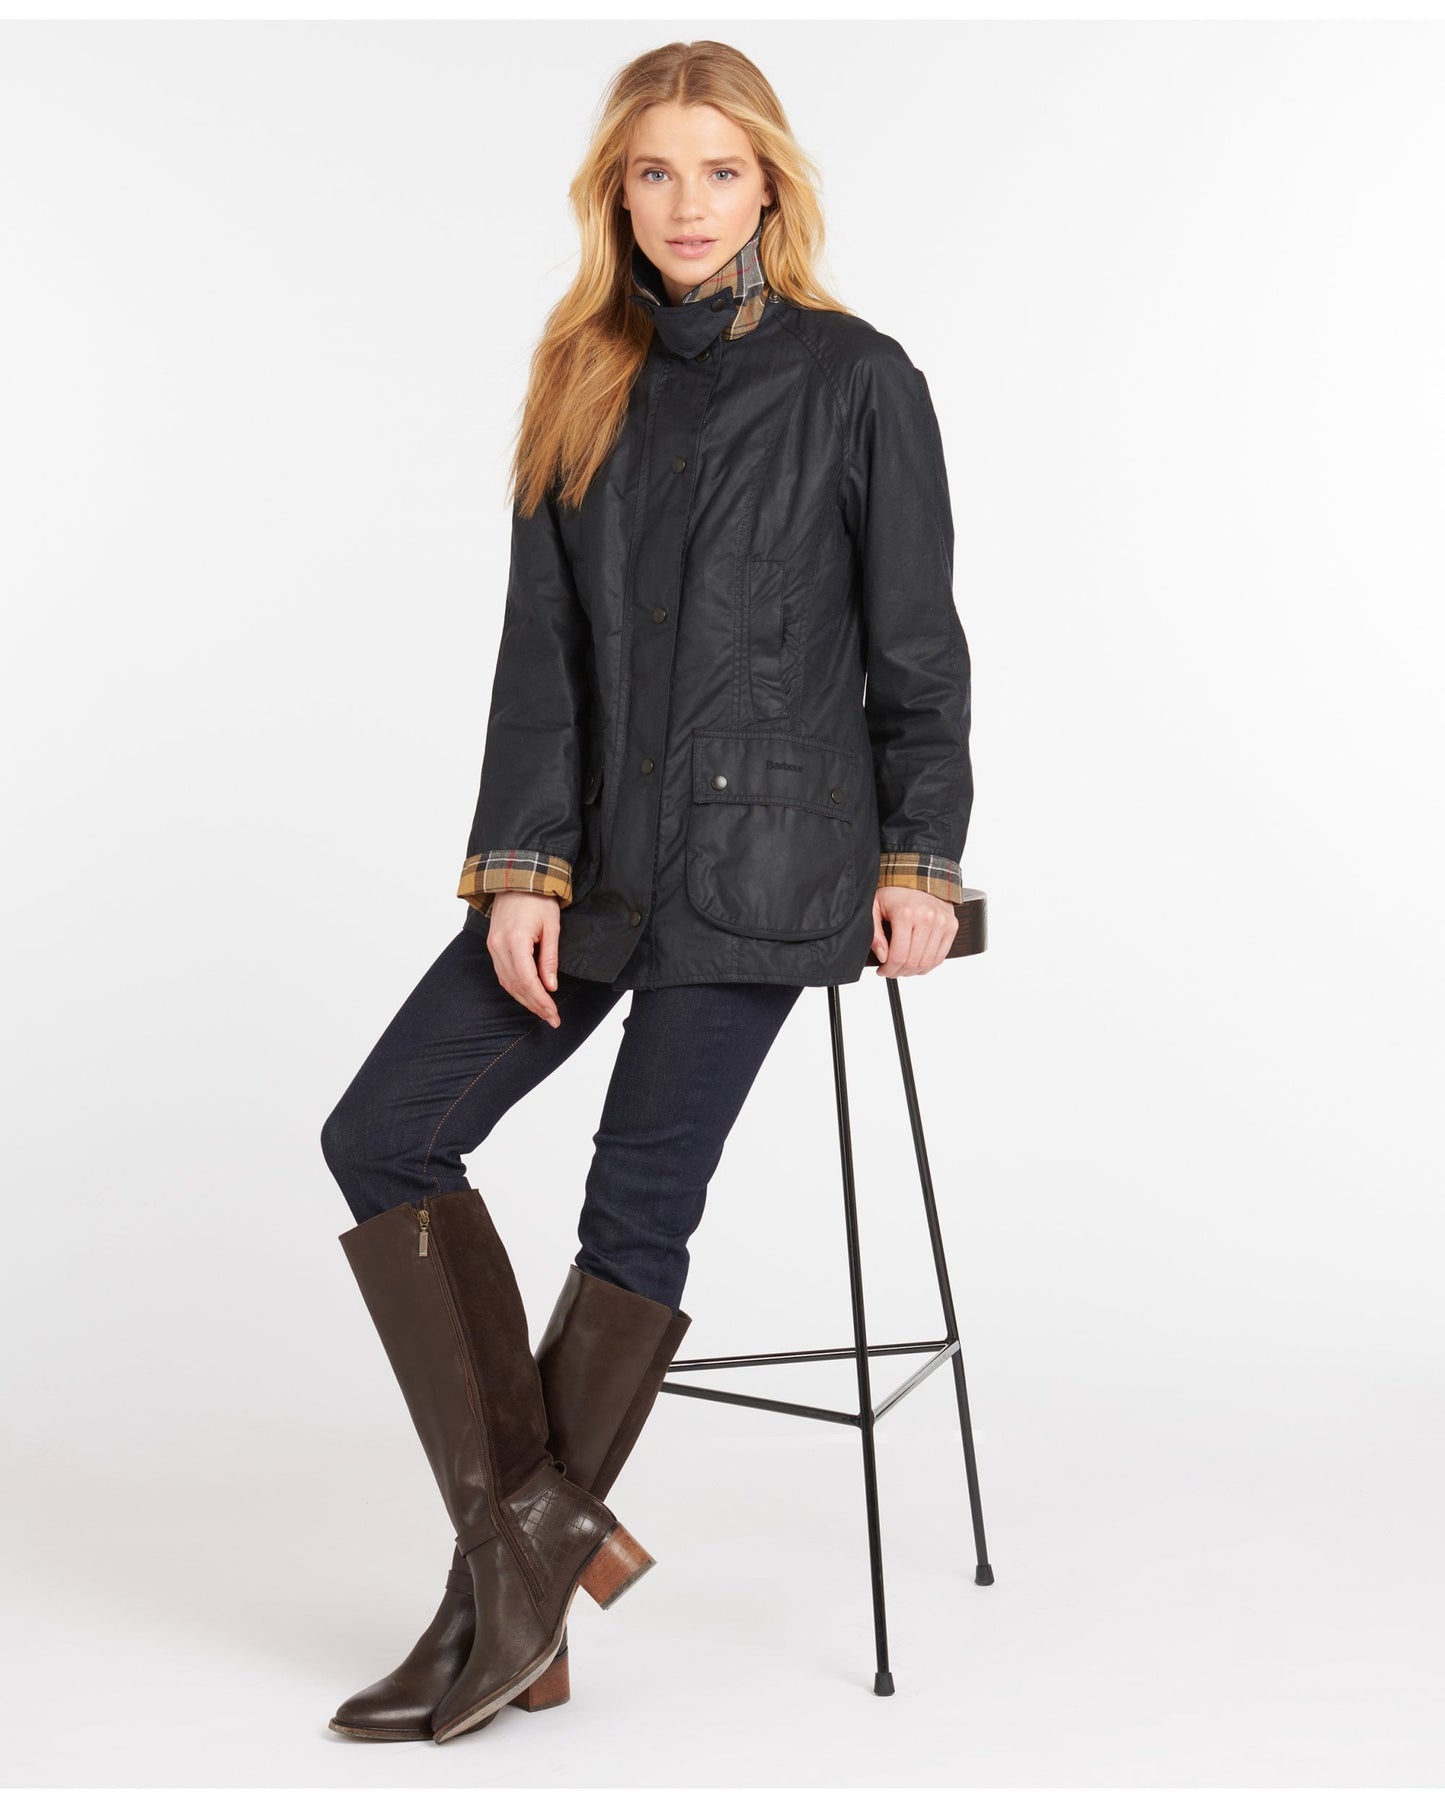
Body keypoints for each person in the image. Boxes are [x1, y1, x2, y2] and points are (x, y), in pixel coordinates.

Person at [319, 38, 974, 1745]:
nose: (687, 204)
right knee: (383, 1131)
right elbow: (538, 660)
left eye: (719, 171)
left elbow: (915, 650)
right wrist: (520, 871)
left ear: (769, 186)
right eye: (654, 172)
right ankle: (529, 1569)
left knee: (633, 1210)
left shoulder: (856, 378)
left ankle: (500, 1602)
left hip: (768, 871)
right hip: (596, 867)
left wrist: (920, 862)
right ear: (615, 192)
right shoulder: (580, 374)